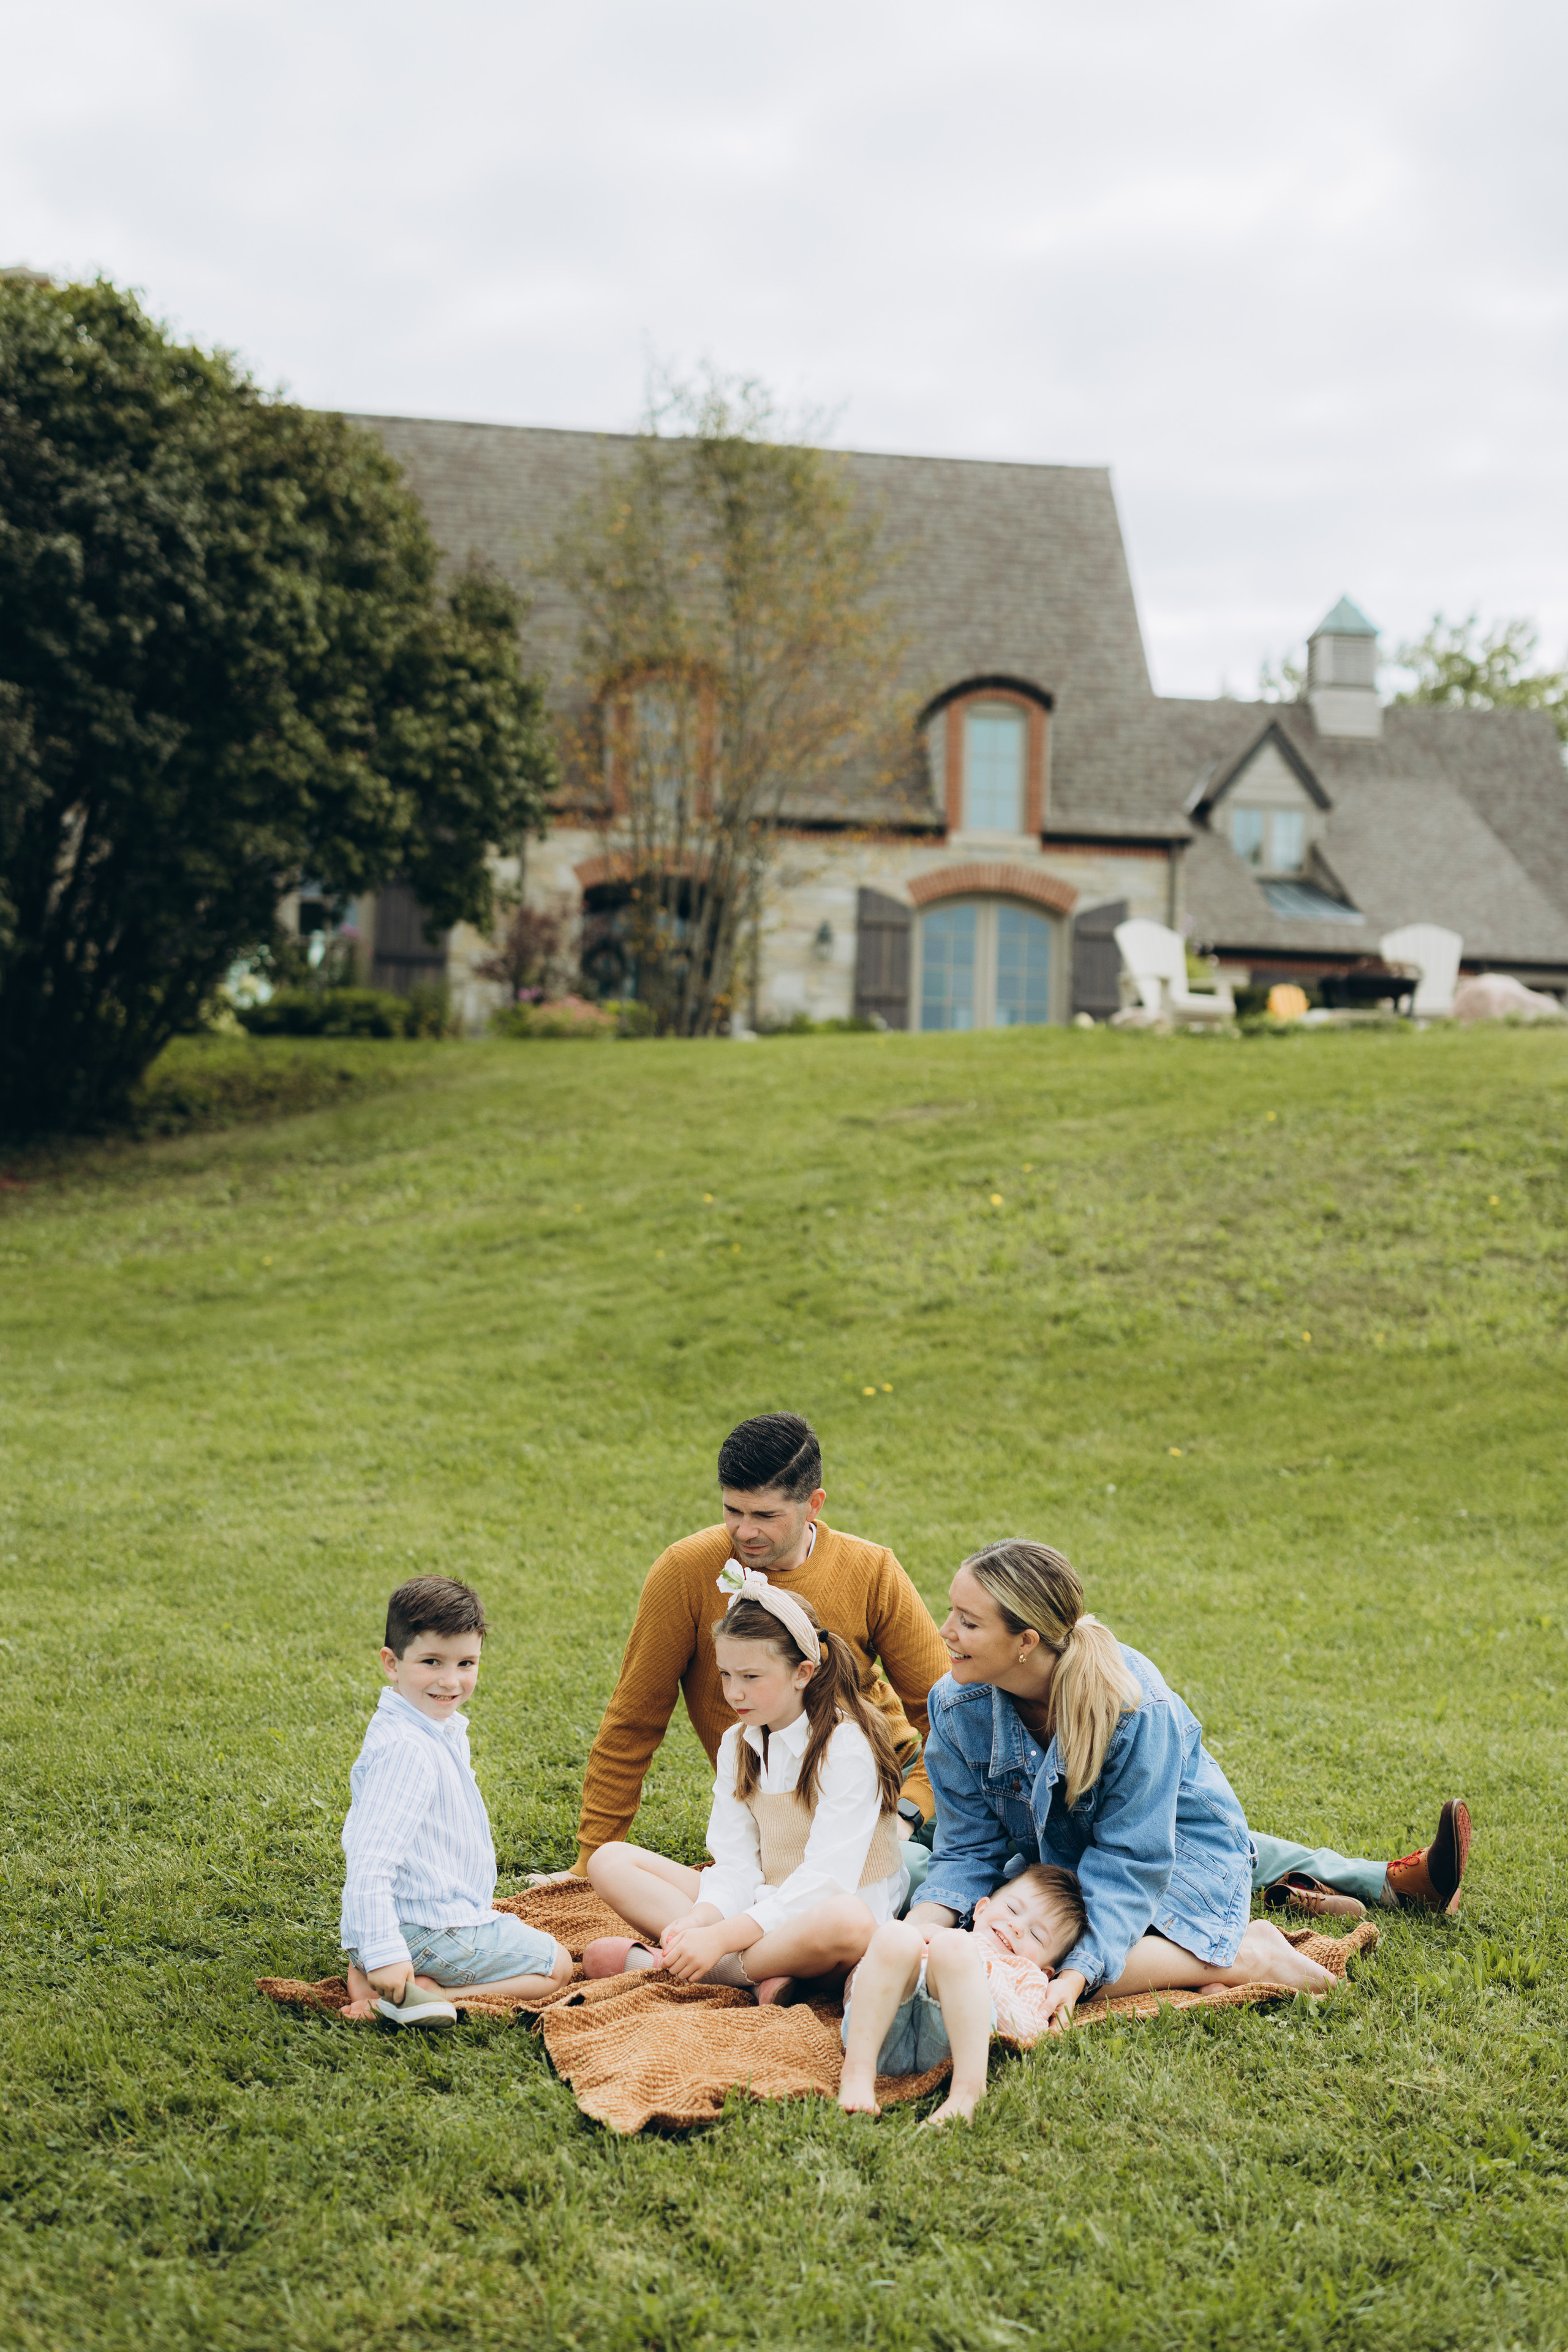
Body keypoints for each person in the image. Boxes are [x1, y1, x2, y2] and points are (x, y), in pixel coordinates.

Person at [907, 1540, 1470, 2034]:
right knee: (994, 1937)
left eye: (968, 1621)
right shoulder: (956, 1704)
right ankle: (1316, 1897)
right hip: (1063, 1857)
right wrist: (912, 1939)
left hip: (1174, 1855)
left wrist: (1078, 1974)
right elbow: (967, 1850)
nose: (944, 1631)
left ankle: (1246, 1956)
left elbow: (1132, 1858)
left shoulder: (1131, 1707)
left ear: (1026, 1640)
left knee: (1049, 1970)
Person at [545, 1414, 949, 1884]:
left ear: (813, 1505)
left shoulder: (872, 1568)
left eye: (765, 1516)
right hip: (772, 1802)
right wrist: (587, 1862)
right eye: (733, 1511)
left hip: (884, 1788)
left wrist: (908, 1810)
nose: (745, 1531)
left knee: (924, 1886)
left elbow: (951, 1712)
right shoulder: (685, 1571)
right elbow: (635, 1718)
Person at [584, 1579, 908, 2002]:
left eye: (751, 1677)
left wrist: (720, 1938)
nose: (734, 1693)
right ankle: (764, 1973)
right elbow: (735, 1864)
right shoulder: (739, 1744)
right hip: (761, 1901)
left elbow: (827, 1883)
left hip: (827, 1912)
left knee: (847, 1920)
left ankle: (695, 1966)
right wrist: (702, 1920)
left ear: (802, 1673)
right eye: (725, 1674)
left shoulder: (844, 1746)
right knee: (609, 1860)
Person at [339, 1576, 573, 2026]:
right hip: (422, 1928)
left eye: (466, 1663)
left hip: (411, 1918)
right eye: (432, 1661)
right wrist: (388, 1952)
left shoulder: (426, 1725)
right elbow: (369, 1859)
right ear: (391, 1663)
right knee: (555, 1965)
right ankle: (432, 1992)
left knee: (504, 1939)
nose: (451, 1681)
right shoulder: (408, 1750)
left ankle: (368, 1970)